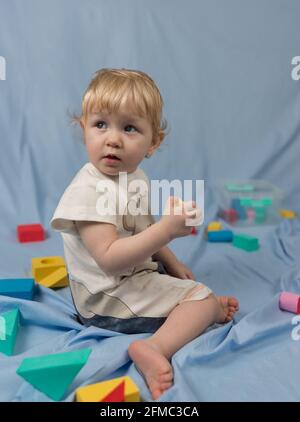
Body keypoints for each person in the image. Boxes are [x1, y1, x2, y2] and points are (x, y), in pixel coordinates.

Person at [51, 68, 239, 400]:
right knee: (202, 298)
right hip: (104, 298)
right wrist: (166, 232)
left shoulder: (134, 177)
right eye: (100, 125)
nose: (113, 139)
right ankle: (153, 348)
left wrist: (170, 258)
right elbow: (109, 259)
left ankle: (190, 308)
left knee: (184, 285)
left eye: (129, 128)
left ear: (154, 142)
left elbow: (143, 227)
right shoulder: (88, 192)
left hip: (128, 277)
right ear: (84, 129)